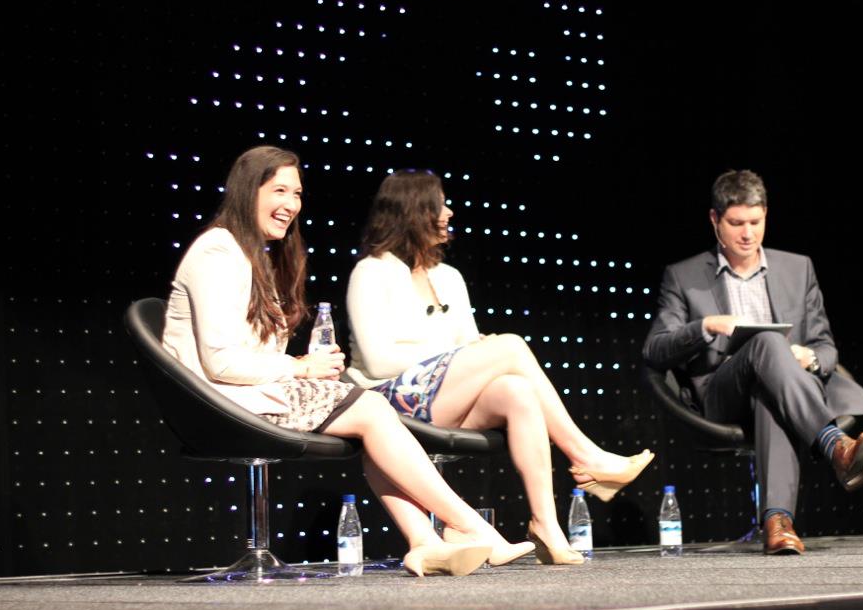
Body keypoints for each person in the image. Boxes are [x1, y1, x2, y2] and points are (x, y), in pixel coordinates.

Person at [162, 146, 533, 576]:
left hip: (250, 393)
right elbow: (221, 363)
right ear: (248, 191)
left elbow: (248, 352)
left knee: (372, 416)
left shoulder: (249, 255)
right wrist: (300, 368)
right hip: (219, 402)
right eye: (278, 190)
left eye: (296, 194)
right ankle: (467, 526)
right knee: (373, 408)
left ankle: (426, 542)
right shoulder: (217, 252)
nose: (290, 205)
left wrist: (302, 364)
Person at [345, 170, 655, 565]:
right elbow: (377, 359)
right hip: (387, 402)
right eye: (441, 205)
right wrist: (452, 352)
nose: (449, 213)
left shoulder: (449, 277)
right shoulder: (372, 270)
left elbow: (470, 346)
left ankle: (548, 527)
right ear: (415, 211)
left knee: (516, 390)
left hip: (442, 397)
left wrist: (461, 353)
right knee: (509, 346)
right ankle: (586, 455)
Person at [642, 169, 863, 555]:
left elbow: (826, 348)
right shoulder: (684, 276)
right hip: (721, 395)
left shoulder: (797, 268)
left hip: (781, 389)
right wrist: (706, 325)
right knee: (768, 340)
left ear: (766, 215)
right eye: (736, 223)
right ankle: (835, 445)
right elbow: (655, 349)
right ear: (715, 220)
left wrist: (809, 356)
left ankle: (778, 524)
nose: (747, 234)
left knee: (768, 392)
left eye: (756, 222)